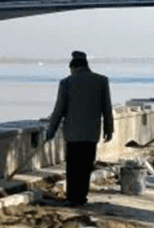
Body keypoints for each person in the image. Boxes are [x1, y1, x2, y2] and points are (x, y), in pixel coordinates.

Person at [45, 53, 114, 207]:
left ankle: (72, 197)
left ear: (73, 68)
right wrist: (109, 129)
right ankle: (82, 196)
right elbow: (107, 108)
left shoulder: (66, 82)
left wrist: (51, 129)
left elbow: (59, 109)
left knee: (73, 167)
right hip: (91, 134)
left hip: (73, 134)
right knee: (86, 167)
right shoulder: (102, 81)